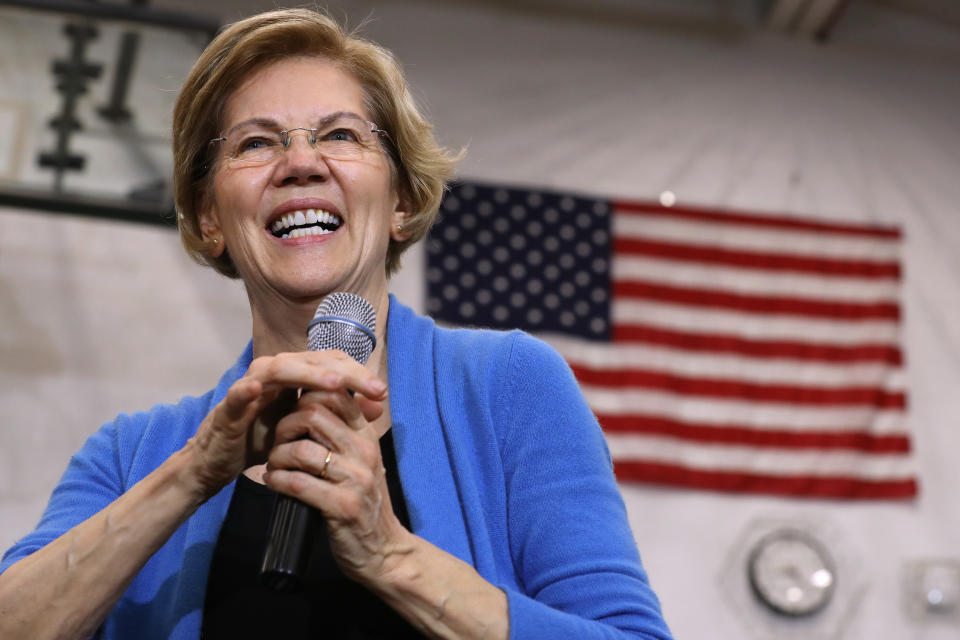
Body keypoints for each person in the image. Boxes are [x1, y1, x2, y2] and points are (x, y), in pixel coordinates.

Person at [0, 8, 673, 640]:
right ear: (210, 221)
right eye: (256, 143)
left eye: (340, 135)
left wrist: (394, 559)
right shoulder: (132, 457)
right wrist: (195, 473)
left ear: (403, 198)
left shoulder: (508, 388)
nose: (300, 163)